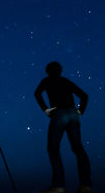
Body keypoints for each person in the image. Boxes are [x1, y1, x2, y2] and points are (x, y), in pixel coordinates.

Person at [34, 61, 92, 193]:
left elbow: (37, 93)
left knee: (53, 148)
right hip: (73, 114)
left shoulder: (46, 81)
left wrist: (45, 109)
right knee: (78, 148)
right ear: (60, 70)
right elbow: (84, 96)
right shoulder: (65, 81)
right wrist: (80, 111)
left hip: (59, 113)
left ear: (48, 71)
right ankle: (86, 185)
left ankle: (59, 186)